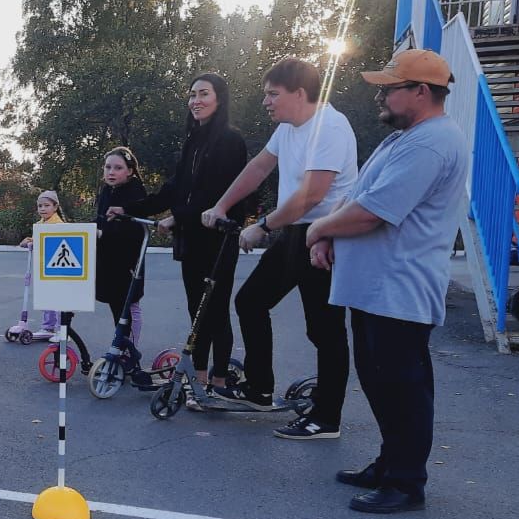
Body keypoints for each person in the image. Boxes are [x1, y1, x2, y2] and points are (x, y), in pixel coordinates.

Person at [307, 49, 469, 513]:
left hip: (399, 290)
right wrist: (328, 237)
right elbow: (357, 197)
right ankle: (389, 461)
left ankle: (406, 482)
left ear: (420, 92)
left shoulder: (430, 143)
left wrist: (317, 231)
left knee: (403, 388)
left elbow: (375, 214)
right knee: (380, 383)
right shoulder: (406, 138)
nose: (380, 95)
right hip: (376, 289)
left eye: (389, 88)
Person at [203, 57, 357, 440]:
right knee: (251, 301)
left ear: (300, 93)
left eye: (273, 94)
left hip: (325, 235)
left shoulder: (330, 127)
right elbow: (258, 168)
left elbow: (311, 196)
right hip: (295, 232)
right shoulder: (289, 128)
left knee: (324, 329)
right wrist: (221, 205)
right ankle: (259, 389)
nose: (266, 102)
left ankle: (326, 418)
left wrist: (262, 226)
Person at [112, 73, 249, 395]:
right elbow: (176, 189)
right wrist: (133, 209)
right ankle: (198, 378)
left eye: (203, 94)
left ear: (219, 99)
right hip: (193, 239)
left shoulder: (231, 140)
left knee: (214, 310)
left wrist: (177, 217)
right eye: (191, 95)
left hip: (218, 238)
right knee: (195, 310)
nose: (195, 101)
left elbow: (218, 191)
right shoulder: (192, 141)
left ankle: (217, 381)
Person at [93, 147, 149, 344]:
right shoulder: (106, 191)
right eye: (108, 167)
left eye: (117, 168)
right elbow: (99, 221)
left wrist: (103, 233)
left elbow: (134, 229)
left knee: (129, 305)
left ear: (130, 171)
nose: (111, 172)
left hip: (128, 261)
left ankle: (128, 348)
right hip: (108, 260)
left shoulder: (136, 193)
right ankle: (121, 343)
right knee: (116, 304)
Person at [9, 190, 65, 343]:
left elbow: (56, 243)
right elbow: (36, 239)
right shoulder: (40, 224)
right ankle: (47, 327)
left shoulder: (58, 225)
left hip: (57, 267)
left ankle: (62, 329)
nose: (42, 208)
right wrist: (27, 241)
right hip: (44, 267)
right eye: (40, 206)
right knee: (47, 297)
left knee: (58, 299)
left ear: (55, 207)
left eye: (46, 205)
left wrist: (36, 243)